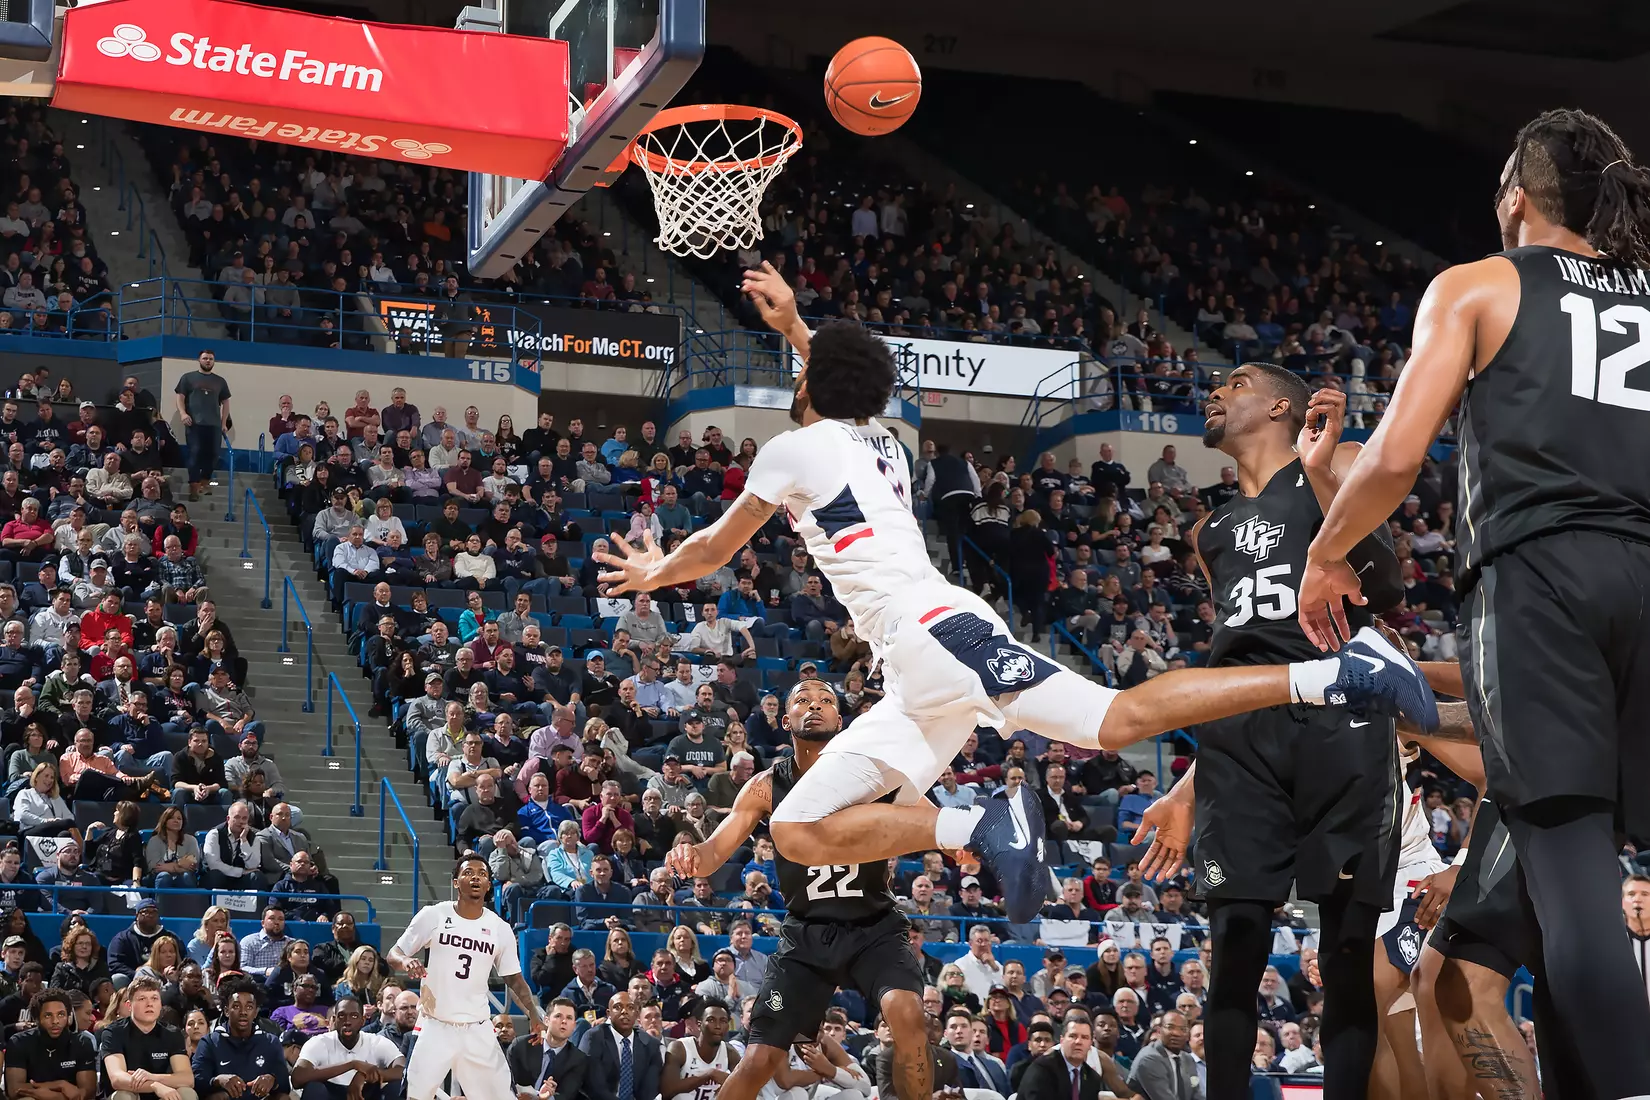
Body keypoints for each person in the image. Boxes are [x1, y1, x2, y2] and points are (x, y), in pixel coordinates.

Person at [598, 265, 1437, 925]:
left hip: (938, 634)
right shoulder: (879, 440)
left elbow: (715, 545)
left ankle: (1332, 676)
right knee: (798, 829)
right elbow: (838, 382)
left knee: (1117, 721)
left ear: (812, 386)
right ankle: (980, 828)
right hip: (912, 665)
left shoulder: (793, 450)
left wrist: (653, 571)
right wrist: (794, 327)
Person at [1293, 108, 1650, 1098]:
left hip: (1542, 581)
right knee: (1578, 867)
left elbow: (1400, 453)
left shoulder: (1480, 285)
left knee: (1571, 855)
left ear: (1516, 200)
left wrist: (1326, 553)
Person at [1139, 366, 1406, 1097]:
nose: (1215, 392)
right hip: (1241, 740)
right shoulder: (1209, 529)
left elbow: (1383, 584)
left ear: (1281, 406)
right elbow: (1237, 656)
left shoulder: (1342, 469)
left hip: (1341, 723)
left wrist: (1321, 474)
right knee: (1235, 945)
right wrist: (1190, 785)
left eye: (1236, 381)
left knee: (1348, 947)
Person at [664, 679, 929, 1100]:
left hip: (873, 928)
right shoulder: (766, 785)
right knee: (759, 1060)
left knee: (907, 1010)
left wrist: (963, 844)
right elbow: (715, 851)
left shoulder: (877, 775)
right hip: (805, 935)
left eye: (826, 700)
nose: (815, 706)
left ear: (841, 721)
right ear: (785, 720)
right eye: (803, 700)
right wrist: (691, 855)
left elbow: (930, 820)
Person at [386, 856, 541, 1100]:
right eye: (469, 872)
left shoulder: (500, 928)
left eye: (482, 873)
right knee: (415, 1096)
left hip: (476, 1028)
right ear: (456, 882)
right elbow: (393, 954)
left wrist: (533, 1013)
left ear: (489, 884)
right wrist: (406, 961)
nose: (476, 877)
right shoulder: (434, 915)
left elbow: (514, 979)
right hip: (436, 1025)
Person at [99, 976, 197, 1100]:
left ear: (160, 1004)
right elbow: (118, 1080)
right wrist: (155, 1085)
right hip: (130, 1094)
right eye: (142, 999)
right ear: (129, 1005)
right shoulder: (113, 1032)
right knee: (123, 1096)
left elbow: (187, 1079)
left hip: (160, 1095)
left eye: (154, 998)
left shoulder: (172, 1033)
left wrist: (152, 1077)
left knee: (187, 1093)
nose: (149, 1004)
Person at [192, 978, 291, 1100]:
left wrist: (272, 1080)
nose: (243, 1012)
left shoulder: (271, 1042)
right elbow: (197, 1083)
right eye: (236, 1006)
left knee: (283, 1098)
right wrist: (218, 1080)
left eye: (249, 1007)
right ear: (227, 1011)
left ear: (255, 1013)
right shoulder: (209, 1042)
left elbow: (285, 1086)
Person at [290, 997, 406, 1100]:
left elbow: (403, 1071)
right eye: (342, 1016)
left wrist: (363, 1075)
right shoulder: (318, 1042)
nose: (347, 1022)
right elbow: (297, 1078)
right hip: (330, 1094)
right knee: (314, 1088)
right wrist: (352, 1064)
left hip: (366, 1094)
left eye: (354, 1016)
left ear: (362, 1021)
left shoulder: (376, 1042)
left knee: (396, 1087)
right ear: (334, 1020)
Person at [4, 987, 96, 1100]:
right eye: (48, 1015)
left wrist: (52, 1095)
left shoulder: (82, 1042)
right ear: (37, 1018)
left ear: (69, 1016)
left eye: (61, 1014)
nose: (55, 1021)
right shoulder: (19, 1042)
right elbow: (15, 1090)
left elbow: (87, 1092)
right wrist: (60, 1085)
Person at [577, 991, 661, 1100]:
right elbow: (594, 1086)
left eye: (630, 1007)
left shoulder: (650, 1044)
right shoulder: (594, 1037)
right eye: (618, 1007)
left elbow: (649, 1089)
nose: (624, 1011)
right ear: (608, 1014)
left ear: (636, 1014)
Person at [173, 351, 230, 503]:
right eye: (205, 358)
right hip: (195, 423)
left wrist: (223, 423)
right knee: (195, 453)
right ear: (199, 360)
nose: (208, 361)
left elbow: (225, 402)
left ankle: (205, 483)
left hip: (214, 425)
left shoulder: (220, 381)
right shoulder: (188, 378)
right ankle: (193, 486)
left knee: (213, 454)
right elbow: (180, 396)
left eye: (211, 359)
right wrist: (183, 413)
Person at [505, 998, 586, 1100]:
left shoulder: (578, 1059)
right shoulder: (521, 1046)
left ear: (574, 1026)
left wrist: (541, 1098)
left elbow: (566, 1095)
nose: (564, 1021)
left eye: (569, 1018)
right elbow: (506, 1082)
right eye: (558, 1016)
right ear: (546, 1021)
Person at [659, 998, 738, 1100]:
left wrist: (729, 1086)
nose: (718, 1026)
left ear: (728, 1026)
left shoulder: (729, 1052)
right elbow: (667, 1091)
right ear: (699, 1024)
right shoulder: (680, 1048)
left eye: (723, 1021)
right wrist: (709, 1074)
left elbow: (746, 1086)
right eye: (711, 1020)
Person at [1126, 1008, 1197, 1100]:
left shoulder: (1188, 1059)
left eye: (1182, 1029)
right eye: (1170, 1027)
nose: (1176, 1033)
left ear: (1188, 1035)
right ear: (1159, 1031)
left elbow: (1196, 1094)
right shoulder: (1149, 1059)